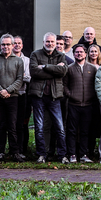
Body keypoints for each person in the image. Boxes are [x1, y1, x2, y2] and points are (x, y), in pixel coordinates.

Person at [29, 32, 69, 164]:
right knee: (39, 127)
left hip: (54, 96)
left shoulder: (61, 55)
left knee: (60, 127)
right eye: (48, 41)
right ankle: (41, 155)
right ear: (43, 42)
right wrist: (54, 71)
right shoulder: (35, 54)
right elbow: (34, 72)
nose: (50, 44)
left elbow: (63, 72)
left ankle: (62, 155)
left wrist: (45, 67)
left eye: (52, 42)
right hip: (38, 96)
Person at [0, 34, 25, 162]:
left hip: (13, 97)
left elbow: (20, 79)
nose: (6, 47)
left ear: (13, 45)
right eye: (3, 44)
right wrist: (0, 90)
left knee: (12, 126)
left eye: (8, 44)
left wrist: (8, 90)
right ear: (0, 45)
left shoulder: (18, 61)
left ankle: (15, 152)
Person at [63, 44, 98, 163]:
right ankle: (72, 154)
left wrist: (92, 96)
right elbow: (64, 85)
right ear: (73, 54)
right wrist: (70, 95)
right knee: (72, 131)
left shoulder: (92, 69)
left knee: (85, 131)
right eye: (77, 52)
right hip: (73, 104)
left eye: (81, 52)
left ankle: (84, 154)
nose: (79, 54)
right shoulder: (69, 68)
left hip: (88, 105)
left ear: (85, 53)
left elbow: (96, 85)